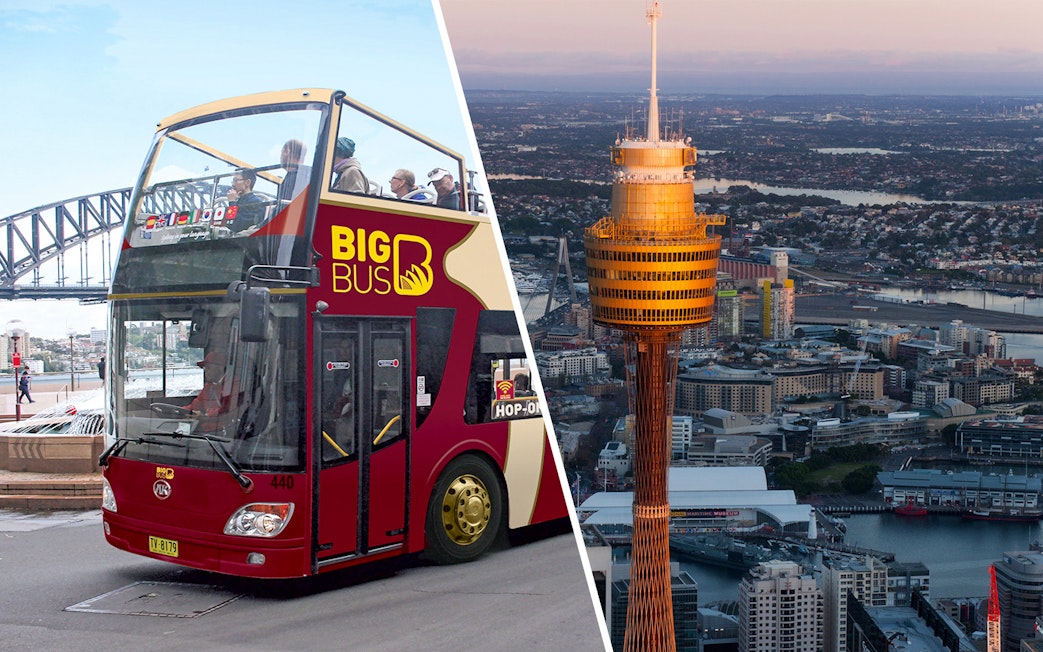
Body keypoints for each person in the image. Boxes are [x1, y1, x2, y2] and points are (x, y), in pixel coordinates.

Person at [187, 351, 235, 419]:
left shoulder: (232, 385)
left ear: (220, 368)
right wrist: (179, 411)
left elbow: (226, 411)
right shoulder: (209, 386)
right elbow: (196, 405)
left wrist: (206, 417)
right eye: (205, 368)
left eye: (208, 368)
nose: (205, 371)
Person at [225, 169, 265, 233]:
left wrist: (232, 203)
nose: (233, 184)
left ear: (247, 182)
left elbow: (237, 226)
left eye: (236, 180)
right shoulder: (237, 202)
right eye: (233, 181)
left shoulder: (256, 203)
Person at [277, 139, 310, 205]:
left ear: (287, 152)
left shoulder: (296, 177)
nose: (280, 157)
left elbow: (285, 207)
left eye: (282, 153)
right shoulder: (306, 175)